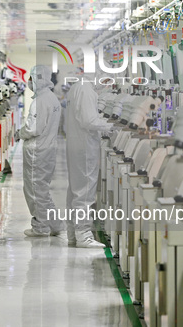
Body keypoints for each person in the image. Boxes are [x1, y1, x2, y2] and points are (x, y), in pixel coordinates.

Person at [65, 76, 113, 248]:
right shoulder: (86, 89)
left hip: (76, 144)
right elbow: (88, 120)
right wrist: (111, 127)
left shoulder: (79, 87)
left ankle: (73, 233)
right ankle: (83, 235)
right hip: (84, 146)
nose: (106, 85)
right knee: (84, 192)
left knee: (75, 191)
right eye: (106, 81)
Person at [19, 65, 66, 237]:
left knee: (35, 190)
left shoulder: (40, 102)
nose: (29, 82)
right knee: (42, 189)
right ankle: (55, 224)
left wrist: (20, 133)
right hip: (48, 150)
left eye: (31, 78)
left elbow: (33, 129)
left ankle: (41, 226)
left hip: (37, 152)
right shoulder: (52, 99)